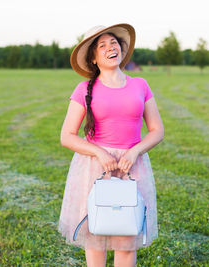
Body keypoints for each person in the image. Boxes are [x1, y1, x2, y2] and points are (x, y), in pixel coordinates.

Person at [58, 23, 164, 267]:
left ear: (121, 49)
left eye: (113, 42)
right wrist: (99, 152)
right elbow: (67, 136)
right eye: (102, 46)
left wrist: (135, 150)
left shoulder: (140, 85)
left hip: (132, 167)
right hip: (95, 168)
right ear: (94, 58)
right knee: (96, 239)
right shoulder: (84, 89)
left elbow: (157, 130)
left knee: (126, 240)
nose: (110, 48)